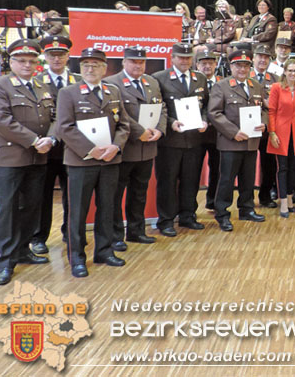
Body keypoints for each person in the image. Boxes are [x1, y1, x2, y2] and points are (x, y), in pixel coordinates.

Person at [0, 39, 55, 285]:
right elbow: (2, 121)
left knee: (32, 206)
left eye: (32, 61)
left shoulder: (41, 86)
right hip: (10, 158)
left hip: (38, 157)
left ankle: (24, 250)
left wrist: (51, 139)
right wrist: (35, 140)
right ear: (11, 62)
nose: (28, 65)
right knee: (8, 210)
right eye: (22, 60)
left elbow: (54, 116)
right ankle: (6, 261)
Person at [56, 48, 129, 278]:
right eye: (86, 64)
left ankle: (104, 251)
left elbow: (124, 125)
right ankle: (77, 257)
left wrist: (115, 147)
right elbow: (64, 127)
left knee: (107, 207)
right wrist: (91, 150)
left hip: (109, 161)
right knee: (77, 212)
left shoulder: (112, 91)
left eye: (96, 65)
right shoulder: (68, 93)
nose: (90, 69)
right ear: (80, 68)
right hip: (81, 162)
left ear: (104, 68)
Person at [104, 46, 167, 249]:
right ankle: (115, 236)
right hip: (125, 149)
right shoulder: (112, 83)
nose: (138, 65)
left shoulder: (151, 82)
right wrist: (139, 130)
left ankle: (136, 231)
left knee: (139, 193)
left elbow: (161, 107)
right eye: (133, 62)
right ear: (124, 62)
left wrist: (160, 129)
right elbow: (118, 114)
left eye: (141, 62)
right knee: (116, 195)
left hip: (147, 149)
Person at [153, 42, 209, 237]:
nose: (185, 61)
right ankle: (166, 220)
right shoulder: (159, 79)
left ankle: (188, 215)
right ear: (172, 58)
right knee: (167, 182)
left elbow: (206, 106)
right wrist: (170, 123)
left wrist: (204, 120)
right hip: (170, 142)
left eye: (188, 58)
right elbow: (158, 108)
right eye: (181, 57)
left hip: (194, 140)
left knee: (191, 180)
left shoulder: (199, 78)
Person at [208, 50, 268, 230]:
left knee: (248, 178)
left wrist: (264, 123)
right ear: (231, 67)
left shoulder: (256, 85)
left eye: (246, 65)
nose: (242, 69)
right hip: (231, 142)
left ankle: (246, 208)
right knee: (227, 179)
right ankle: (222, 213)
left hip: (251, 141)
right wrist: (233, 132)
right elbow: (214, 113)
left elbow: (264, 109)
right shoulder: (222, 86)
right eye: (238, 65)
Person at [31, 35, 77, 254]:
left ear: (68, 56)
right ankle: (39, 236)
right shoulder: (36, 81)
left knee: (73, 195)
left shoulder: (78, 80)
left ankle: (71, 232)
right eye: (52, 55)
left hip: (74, 148)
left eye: (61, 55)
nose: (57, 59)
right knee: (43, 195)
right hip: (46, 149)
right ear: (45, 57)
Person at [268, 59, 295, 217]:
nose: (292, 73)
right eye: (290, 70)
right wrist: (272, 133)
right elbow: (271, 112)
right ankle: (283, 201)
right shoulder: (276, 88)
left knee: (294, 168)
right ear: (284, 72)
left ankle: (291, 199)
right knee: (283, 168)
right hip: (280, 133)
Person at [251, 44, 280, 208]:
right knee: (246, 166)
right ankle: (246, 199)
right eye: (260, 56)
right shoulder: (244, 75)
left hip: (268, 129)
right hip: (246, 129)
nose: (263, 60)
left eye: (266, 57)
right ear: (254, 58)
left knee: (269, 166)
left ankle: (265, 196)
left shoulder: (275, 79)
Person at [196, 49, 221, 210]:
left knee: (217, 170)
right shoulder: (193, 82)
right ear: (197, 65)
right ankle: (190, 208)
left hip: (218, 134)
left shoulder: (222, 82)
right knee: (193, 171)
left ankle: (213, 201)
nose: (207, 66)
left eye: (210, 63)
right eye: (203, 63)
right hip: (196, 134)